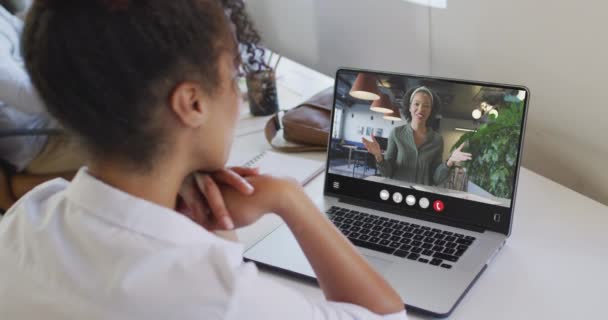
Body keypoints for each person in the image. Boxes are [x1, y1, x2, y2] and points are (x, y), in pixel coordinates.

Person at [0, 1, 407, 319]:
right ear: (192, 102)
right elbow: (387, 315)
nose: (239, 95)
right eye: (232, 78)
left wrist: (218, 236)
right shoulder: (215, 297)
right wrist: (289, 200)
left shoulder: (23, 223)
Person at [0, 2, 85, 178]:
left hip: (57, 116)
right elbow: (31, 99)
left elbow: (25, 36)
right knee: (139, 147)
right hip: (42, 142)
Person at [362, 86, 472, 186]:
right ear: (409, 107)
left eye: (426, 106)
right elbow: (387, 173)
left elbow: (436, 179)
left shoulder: (437, 140)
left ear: (430, 111)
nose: (421, 109)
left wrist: (450, 162)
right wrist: (379, 156)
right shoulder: (396, 133)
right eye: (416, 104)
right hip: (397, 194)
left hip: (421, 197)